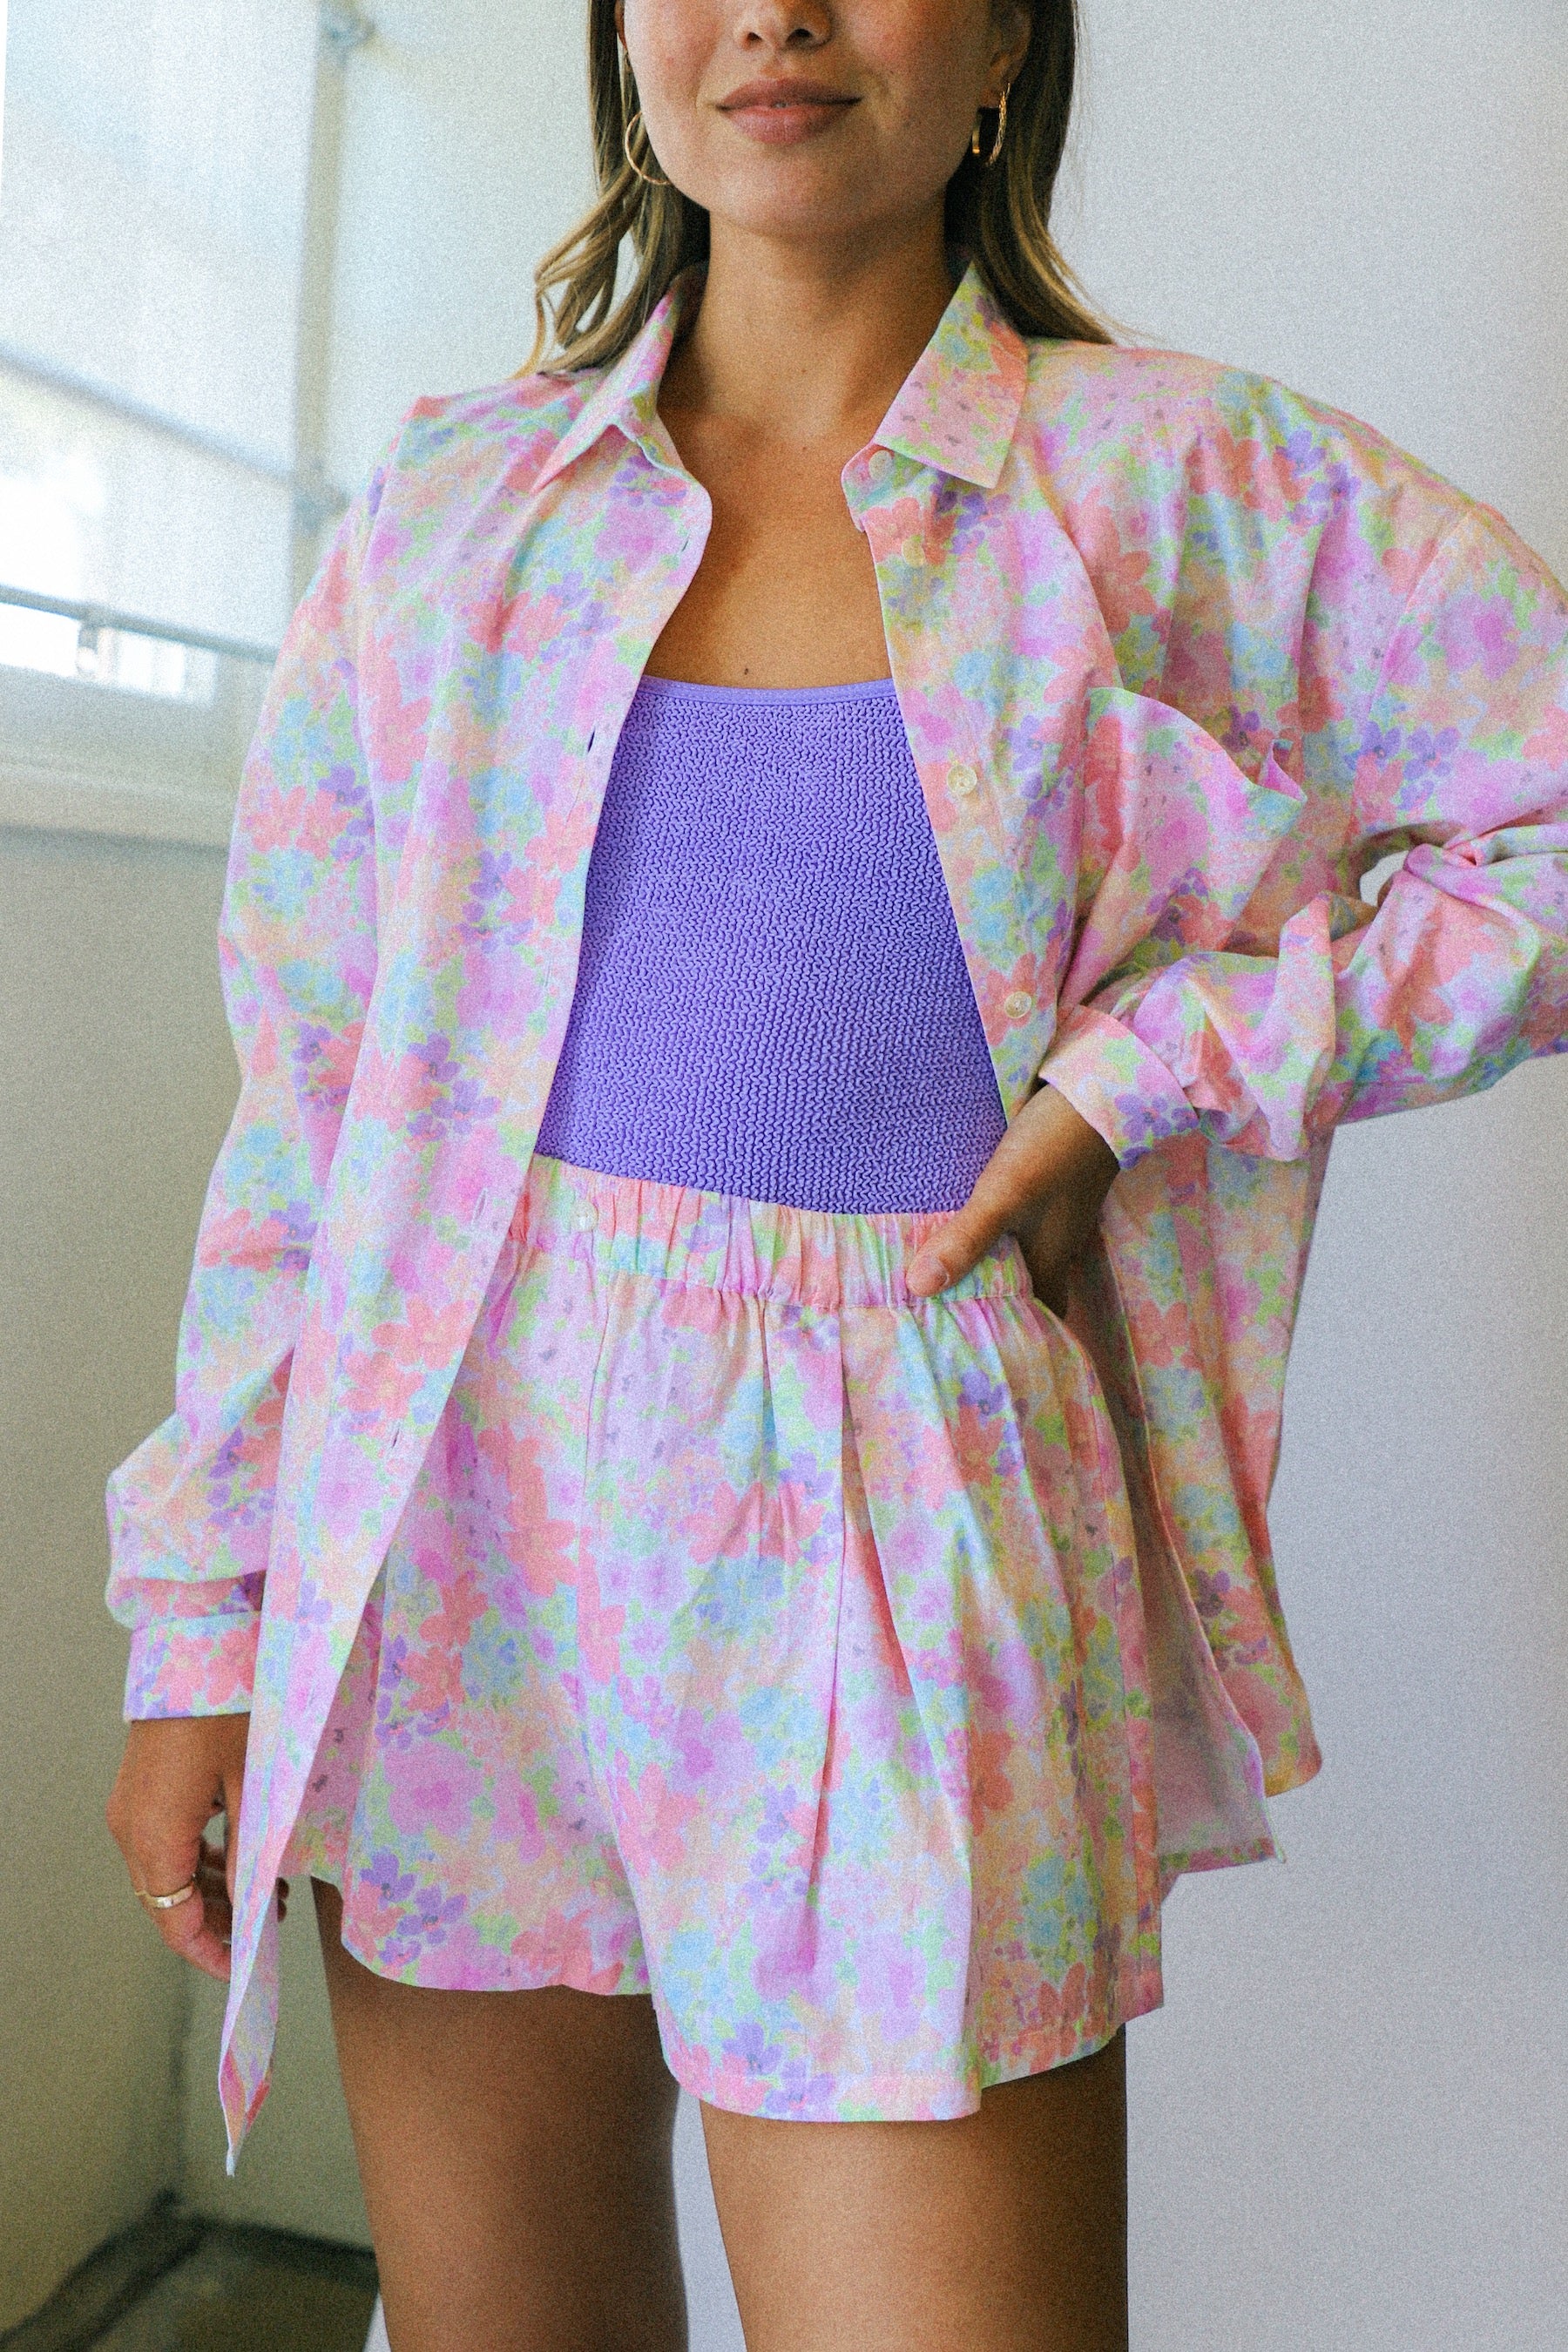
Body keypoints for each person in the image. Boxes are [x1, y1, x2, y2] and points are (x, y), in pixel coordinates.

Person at [103, 3, 1567, 2347]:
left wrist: (1153, 1067)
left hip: (899, 1541)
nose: (774, 11)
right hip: (458, 1528)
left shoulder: (1174, 483)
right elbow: (312, 1107)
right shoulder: (458, 512)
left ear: (1002, 45)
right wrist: (208, 1623)